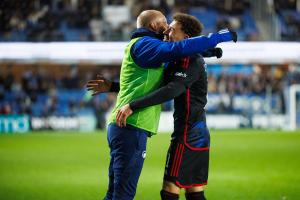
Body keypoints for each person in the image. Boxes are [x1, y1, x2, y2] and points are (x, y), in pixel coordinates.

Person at [87, 10, 236, 200]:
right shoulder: (153, 48)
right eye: (165, 24)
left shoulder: (186, 59)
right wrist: (213, 44)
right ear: (153, 26)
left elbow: (169, 85)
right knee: (186, 192)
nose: (166, 30)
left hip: (188, 132)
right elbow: (173, 57)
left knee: (176, 191)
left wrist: (210, 48)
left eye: (171, 27)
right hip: (158, 127)